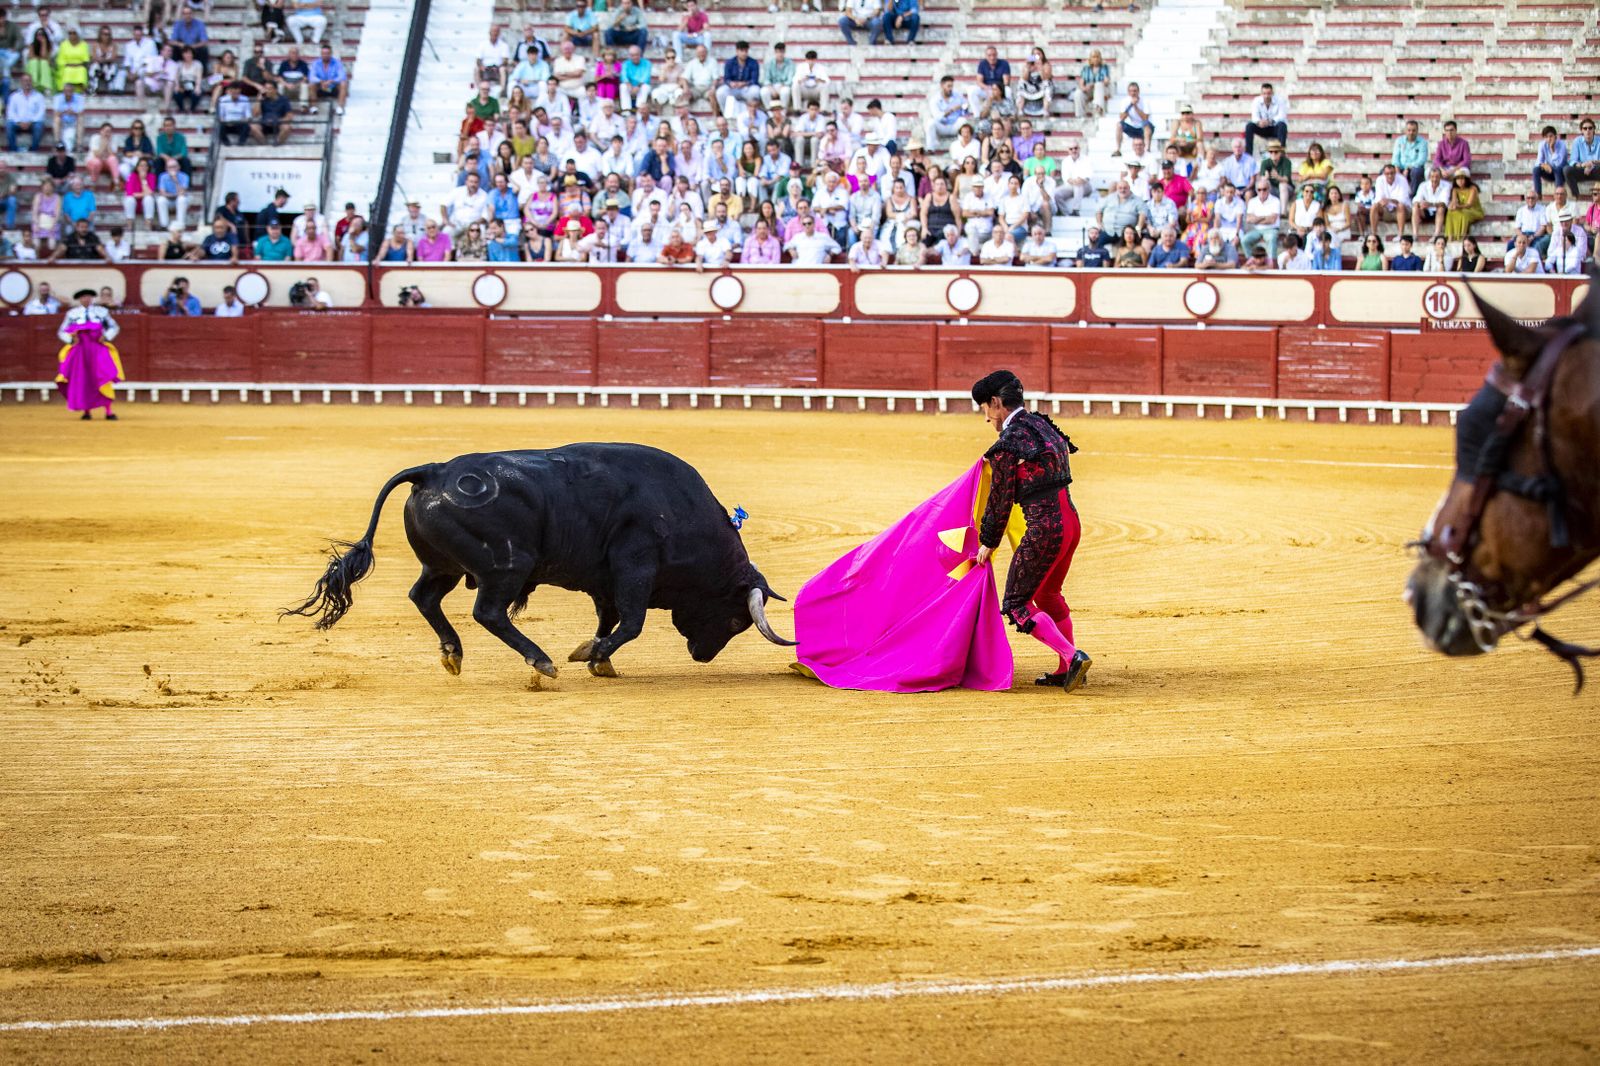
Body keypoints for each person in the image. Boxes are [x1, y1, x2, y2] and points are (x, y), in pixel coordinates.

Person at [970, 371, 1090, 692]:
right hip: (1070, 523)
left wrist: (988, 541)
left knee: (1016, 603)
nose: (986, 418)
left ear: (996, 404)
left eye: (985, 408)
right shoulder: (1042, 425)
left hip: (1046, 527)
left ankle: (1072, 655)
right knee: (1048, 594)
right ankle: (1069, 668)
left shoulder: (1009, 443)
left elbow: (1001, 495)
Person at [55, 288, 123, 421]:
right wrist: (70, 339)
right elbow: (61, 331)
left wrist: (106, 337)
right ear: (79, 299)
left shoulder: (102, 312)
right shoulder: (72, 314)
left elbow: (114, 327)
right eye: (84, 297)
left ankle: (109, 411)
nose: (86, 299)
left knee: (103, 377)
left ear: (92, 298)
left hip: (98, 348)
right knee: (83, 379)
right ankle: (87, 411)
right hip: (80, 350)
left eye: (89, 297)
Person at [6, 72, 47, 152]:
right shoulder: (14, 96)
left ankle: (34, 150)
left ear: (32, 82)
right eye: (25, 80)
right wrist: (19, 122)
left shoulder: (39, 96)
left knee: (39, 125)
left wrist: (30, 122)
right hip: (18, 123)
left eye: (29, 80)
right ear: (21, 82)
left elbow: (41, 113)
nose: (27, 83)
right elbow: (11, 112)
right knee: (9, 125)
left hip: (33, 123)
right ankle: (13, 150)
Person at [1244, 82, 1286, 156]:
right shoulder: (1256, 101)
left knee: (1282, 125)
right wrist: (1259, 122)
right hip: (1262, 127)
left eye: (1268, 93)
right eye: (1264, 93)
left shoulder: (1280, 100)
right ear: (1261, 93)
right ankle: (1248, 155)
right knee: (1249, 126)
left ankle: (1281, 153)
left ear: (1272, 93)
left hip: (1274, 128)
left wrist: (1270, 121)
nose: (1266, 96)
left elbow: (1281, 116)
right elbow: (1254, 117)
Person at [1567, 118, 1599, 198]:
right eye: (1585, 128)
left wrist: (1592, 164)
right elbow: (1572, 161)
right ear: (1582, 131)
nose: (1588, 130)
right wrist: (1583, 165)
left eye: (1590, 128)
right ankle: (1576, 196)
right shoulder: (1577, 141)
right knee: (1566, 170)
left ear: (1594, 129)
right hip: (1582, 170)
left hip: (1596, 169)